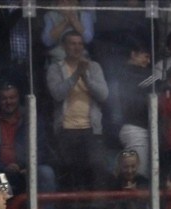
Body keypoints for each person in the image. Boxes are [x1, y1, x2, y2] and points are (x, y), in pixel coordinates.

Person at [46, 29, 109, 192]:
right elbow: (57, 94)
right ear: (64, 46)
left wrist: (86, 78)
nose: (77, 47)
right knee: (70, 175)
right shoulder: (55, 69)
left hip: (91, 129)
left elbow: (103, 95)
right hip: (66, 129)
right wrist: (75, 75)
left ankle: (95, 205)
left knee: (96, 169)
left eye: (80, 44)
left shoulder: (94, 67)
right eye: (72, 44)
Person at [0, 79, 56, 200]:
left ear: (18, 98)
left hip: (27, 169)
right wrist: (3, 167)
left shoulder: (31, 117)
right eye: (4, 98)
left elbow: (41, 147)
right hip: (0, 171)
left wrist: (27, 166)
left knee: (46, 173)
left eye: (12, 98)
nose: (8, 102)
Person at [105, 36, 154, 178]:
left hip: (132, 128)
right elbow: (151, 81)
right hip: (135, 129)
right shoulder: (131, 73)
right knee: (138, 175)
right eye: (146, 56)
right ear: (133, 54)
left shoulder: (123, 73)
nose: (148, 61)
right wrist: (160, 75)